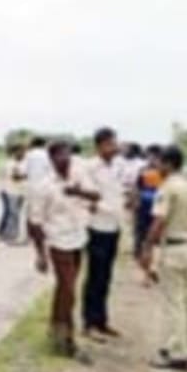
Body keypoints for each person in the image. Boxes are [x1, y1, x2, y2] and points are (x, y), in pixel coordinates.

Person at [28, 141, 99, 361]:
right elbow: (34, 223)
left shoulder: (79, 175)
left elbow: (96, 196)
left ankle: (55, 329)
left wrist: (78, 191)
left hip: (79, 237)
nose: (65, 160)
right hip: (58, 241)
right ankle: (69, 341)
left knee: (65, 289)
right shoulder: (44, 186)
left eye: (67, 155)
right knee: (68, 289)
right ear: (52, 160)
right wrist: (40, 254)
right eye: (59, 156)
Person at [140, 146, 187, 371]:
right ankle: (179, 344)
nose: (156, 167)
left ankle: (179, 353)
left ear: (168, 164)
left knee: (173, 303)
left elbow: (158, 221)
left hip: (173, 248)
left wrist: (147, 247)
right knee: (182, 301)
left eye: (159, 163)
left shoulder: (167, 189)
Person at [81, 127, 126, 340]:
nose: (114, 147)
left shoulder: (118, 166)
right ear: (99, 146)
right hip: (97, 227)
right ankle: (89, 323)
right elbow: (92, 199)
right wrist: (116, 207)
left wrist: (125, 203)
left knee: (106, 277)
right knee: (94, 277)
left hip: (114, 227)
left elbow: (121, 192)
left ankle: (102, 321)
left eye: (115, 143)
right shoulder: (89, 167)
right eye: (110, 144)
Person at [131, 145, 164, 260]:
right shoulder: (143, 170)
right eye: (150, 156)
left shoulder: (162, 172)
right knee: (140, 228)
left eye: (155, 157)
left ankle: (153, 250)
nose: (152, 159)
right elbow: (137, 187)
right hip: (143, 204)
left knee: (155, 228)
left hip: (157, 205)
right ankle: (138, 250)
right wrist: (135, 201)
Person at [0, 144, 28, 243]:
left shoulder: (19, 163)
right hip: (12, 192)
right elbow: (15, 177)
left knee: (15, 214)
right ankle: (10, 236)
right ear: (16, 152)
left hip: (19, 192)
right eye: (22, 151)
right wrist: (26, 176)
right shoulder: (12, 164)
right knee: (13, 215)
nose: (24, 154)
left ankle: (12, 234)